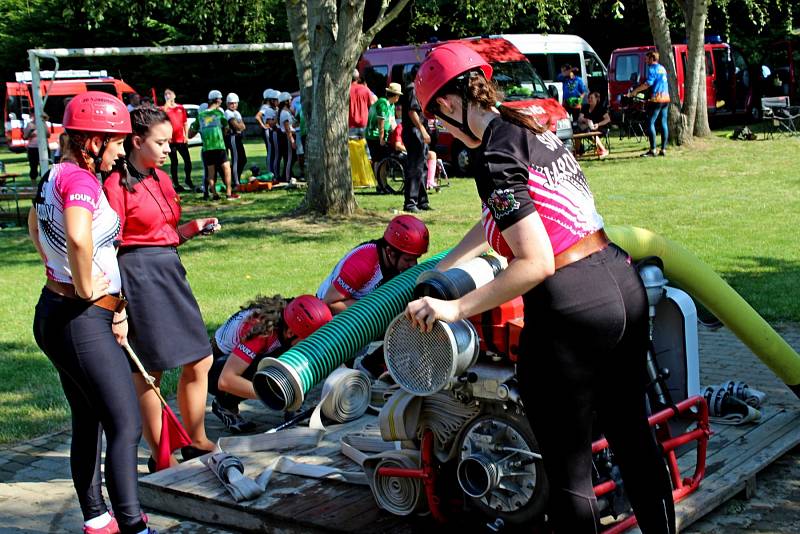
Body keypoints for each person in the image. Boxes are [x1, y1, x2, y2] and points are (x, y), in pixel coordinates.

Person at [408, 43, 676, 534]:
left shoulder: (492, 156)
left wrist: (455, 309)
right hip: (620, 281)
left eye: (440, 122)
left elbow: (534, 263)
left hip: (570, 310)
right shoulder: (527, 126)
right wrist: (446, 263)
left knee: (569, 474)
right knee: (634, 440)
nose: (444, 133)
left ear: (447, 104)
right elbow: (510, 216)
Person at [28, 91, 155, 534]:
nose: (121, 152)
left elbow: (34, 224)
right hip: (79, 318)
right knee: (125, 424)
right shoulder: (81, 181)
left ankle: (97, 519)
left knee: (89, 419)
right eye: (117, 141)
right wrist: (85, 289)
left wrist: (106, 304)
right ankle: (133, 524)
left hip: (63, 313)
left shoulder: (55, 174)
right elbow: (80, 238)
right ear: (92, 141)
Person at [104, 107, 221, 471]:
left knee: (200, 357)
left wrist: (193, 227)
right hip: (137, 277)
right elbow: (109, 246)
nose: (170, 149)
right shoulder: (114, 184)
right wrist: (117, 301)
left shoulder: (161, 178)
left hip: (169, 270)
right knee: (149, 369)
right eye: (161, 142)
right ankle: (161, 457)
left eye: (169, 141)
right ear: (136, 142)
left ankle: (196, 439)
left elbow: (165, 233)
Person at [208, 295, 332, 433]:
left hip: (241, 359)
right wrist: (272, 395)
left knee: (303, 357)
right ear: (290, 332)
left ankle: (294, 408)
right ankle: (225, 404)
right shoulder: (261, 330)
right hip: (215, 370)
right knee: (271, 367)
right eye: (306, 338)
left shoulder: (291, 319)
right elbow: (226, 380)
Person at [317, 214, 429, 315]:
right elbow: (330, 303)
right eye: (408, 260)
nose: (414, 265)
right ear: (390, 252)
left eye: (416, 258)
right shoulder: (362, 264)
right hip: (329, 316)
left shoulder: (393, 260)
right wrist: (374, 308)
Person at [191, 90, 238, 200]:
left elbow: (191, 133)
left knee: (211, 172)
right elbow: (226, 128)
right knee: (227, 169)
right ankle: (228, 193)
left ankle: (214, 194)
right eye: (220, 99)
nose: (221, 101)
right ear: (217, 100)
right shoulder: (219, 113)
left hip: (207, 148)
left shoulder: (200, 115)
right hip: (219, 146)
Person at [629, 51, 671, 157]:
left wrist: (635, 91)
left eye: (647, 58)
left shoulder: (653, 68)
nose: (645, 60)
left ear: (652, 59)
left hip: (657, 99)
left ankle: (653, 150)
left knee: (650, 123)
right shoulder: (662, 68)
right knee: (663, 123)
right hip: (666, 98)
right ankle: (663, 149)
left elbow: (648, 83)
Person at [401, 74, 431, 213]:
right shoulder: (412, 89)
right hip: (414, 132)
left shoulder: (419, 90)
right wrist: (423, 130)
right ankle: (410, 203)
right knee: (415, 167)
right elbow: (412, 112)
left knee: (423, 166)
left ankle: (422, 201)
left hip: (418, 131)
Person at [366, 83, 402, 175]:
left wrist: (398, 134)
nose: (399, 97)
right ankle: (379, 183)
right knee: (378, 159)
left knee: (383, 159)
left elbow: (392, 122)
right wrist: (381, 138)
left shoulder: (392, 105)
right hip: (374, 135)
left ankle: (382, 182)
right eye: (398, 95)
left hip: (383, 135)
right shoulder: (383, 102)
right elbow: (380, 122)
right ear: (395, 95)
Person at [161, 88, 194, 193]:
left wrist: (186, 136)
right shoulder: (164, 109)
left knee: (187, 161)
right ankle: (176, 183)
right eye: (166, 94)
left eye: (170, 93)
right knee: (174, 162)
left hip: (181, 139)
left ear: (174, 95)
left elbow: (184, 122)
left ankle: (188, 179)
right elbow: (162, 123)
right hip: (171, 141)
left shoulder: (180, 108)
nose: (168, 95)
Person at [577, 92, 611, 158]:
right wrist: (586, 120)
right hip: (587, 128)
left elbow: (607, 119)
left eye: (591, 98)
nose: (589, 99)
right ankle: (578, 152)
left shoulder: (600, 108)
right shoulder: (585, 107)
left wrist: (598, 124)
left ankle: (603, 150)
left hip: (601, 127)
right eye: (588, 98)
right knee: (577, 131)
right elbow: (580, 118)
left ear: (596, 99)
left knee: (591, 132)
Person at [224, 92, 247, 186]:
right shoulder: (228, 113)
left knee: (243, 159)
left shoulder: (236, 113)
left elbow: (243, 126)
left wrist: (239, 126)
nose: (233, 105)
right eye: (231, 103)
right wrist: (239, 126)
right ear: (227, 104)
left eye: (235, 103)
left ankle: (235, 178)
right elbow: (237, 127)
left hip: (237, 137)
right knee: (236, 159)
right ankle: (235, 181)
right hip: (232, 138)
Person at [255, 89, 280, 177]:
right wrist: (263, 125)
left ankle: (273, 171)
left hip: (271, 130)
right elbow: (257, 116)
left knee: (272, 151)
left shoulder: (270, 107)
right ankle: (270, 171)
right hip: (268, 130)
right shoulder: (265, 107)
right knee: (270, 150)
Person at [23, 112, 49, 182]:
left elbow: (48, 135)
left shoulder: (43, 124)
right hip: (32, 148)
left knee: (44, 166)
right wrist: (31, 133)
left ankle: (43, 182)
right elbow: (25, 136)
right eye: (34, 114)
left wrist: (44, 122)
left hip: (43, 148)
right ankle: (33, 183)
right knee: (33, 166)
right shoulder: (30, 125)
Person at [276, 92, 296, 183]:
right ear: (286, 101)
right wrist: (292, 140)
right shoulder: (284, 113)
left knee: (292, 157)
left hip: (288, 135)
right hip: (286, 137)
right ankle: (287, 178)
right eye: (290, 100)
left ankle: (287, 174)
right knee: (289, 158)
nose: (291, 101)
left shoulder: (286, 112)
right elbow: (287, 128)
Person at [349, 69, 374, 139]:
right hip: (364, 126)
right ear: (358, 78)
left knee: (352, 148)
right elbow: (373, 106)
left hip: (350, 126)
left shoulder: (346, 90)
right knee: (362, 148)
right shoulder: (366, 90)